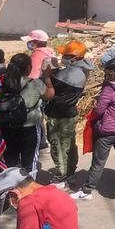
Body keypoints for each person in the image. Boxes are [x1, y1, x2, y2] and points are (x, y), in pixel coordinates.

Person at [70, 57, 115, 200]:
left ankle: (87, 190)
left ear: (112, 72)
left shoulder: (110, 88)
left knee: (98, 163)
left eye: (107, 72)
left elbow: (100, 110)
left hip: (107, 131)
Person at [0, 54, 54, 172]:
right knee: (29, 162)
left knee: (10, 161)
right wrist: (47, 78)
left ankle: (9, 188)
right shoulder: (35, 83)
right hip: (30, 128)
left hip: (7, 126)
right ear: (27, 68)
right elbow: (50, 95)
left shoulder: (1, 81)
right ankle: (28, 188)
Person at [45, 41, 93, 187]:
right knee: (69, 145)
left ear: (75, 58)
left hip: (59, 115)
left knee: (57, 145)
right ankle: (70, 172)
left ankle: (60, 176)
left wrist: (47, 76)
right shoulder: (83, 69)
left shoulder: (68, 75)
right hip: (70, 113)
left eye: (65, 55)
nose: (62, 56)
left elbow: (48, 93)